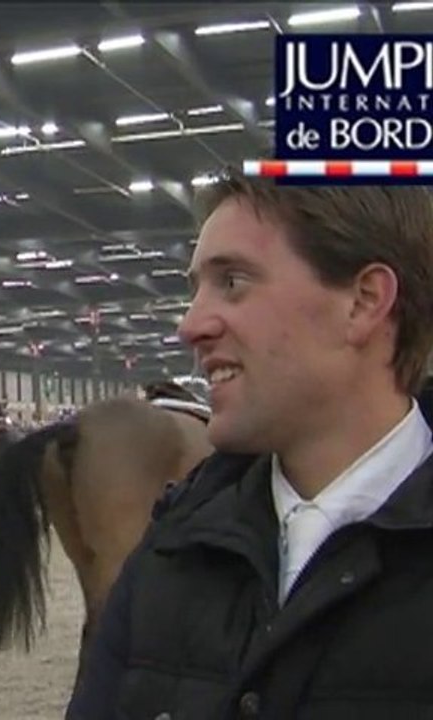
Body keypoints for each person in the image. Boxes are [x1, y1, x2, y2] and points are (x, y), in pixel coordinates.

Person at [67, 170, 433, 719]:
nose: (190, 326)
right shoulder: (169, 553)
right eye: (195, 290)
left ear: (363, 301)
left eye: (233, 282)